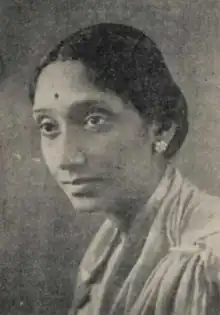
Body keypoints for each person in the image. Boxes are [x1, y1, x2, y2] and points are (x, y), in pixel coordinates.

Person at [29, 23, 220, 315]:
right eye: (49, 126)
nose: (66, 158)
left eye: (94, 120)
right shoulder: (106, 249)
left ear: (161, 128)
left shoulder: (207, 257)